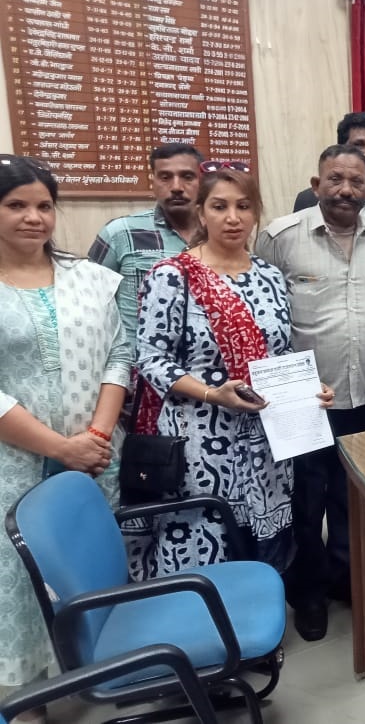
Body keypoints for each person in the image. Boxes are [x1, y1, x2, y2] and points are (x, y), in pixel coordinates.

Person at [129, 165, 334, 579]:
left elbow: (281, 351)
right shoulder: (173, 276)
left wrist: (309, 387)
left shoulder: (269, 276)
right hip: (200, 443)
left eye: (244, 206)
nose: (233, 218)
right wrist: (212, 393)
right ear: (201, 213)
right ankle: (205, 620)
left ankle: (258, 616)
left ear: (256, 212)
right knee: (207, 547)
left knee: (264, 550)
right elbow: (150, 358)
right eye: (219, 206)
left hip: (267, 440)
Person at [0, 155, 130, 715]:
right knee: (17, 579)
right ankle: (27, 694)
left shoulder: (89, 278)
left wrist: (95, 438)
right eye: (16, 205)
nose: (34, 217)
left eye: (44, 205)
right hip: (12, 465)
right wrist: (59, 448)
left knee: (85, 566)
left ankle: (90, 671)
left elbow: (119, 354)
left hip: (94, 457)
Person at [256, 145, 365, 642]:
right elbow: (259, 309)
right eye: (335, 179)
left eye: (357, 182)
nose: (346, 190)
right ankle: (308, 595)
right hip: (305, 402)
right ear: (316, 185)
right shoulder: (281, 238)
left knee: (352, 502)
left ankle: (344, 581)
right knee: (306, 504)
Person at [88, 143, 205, 356]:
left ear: (202, 181)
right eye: (165, 177)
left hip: (205, 368)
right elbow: (89, 306)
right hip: (139, 367)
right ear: (153, 181)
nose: (176, 187)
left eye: (187, 177)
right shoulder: (120, 233)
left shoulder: (218, 236)